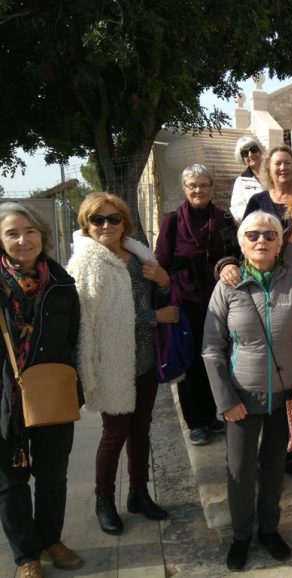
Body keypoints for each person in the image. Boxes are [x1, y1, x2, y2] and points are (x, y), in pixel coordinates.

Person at [202, 210, 292, 570]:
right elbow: (211, 346)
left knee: (273, 466)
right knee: (239, 470)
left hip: (285, 396)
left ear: (280, 242)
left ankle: (269, 529)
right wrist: (225, 399)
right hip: (241, 396)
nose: (261, 240)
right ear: (242, 243)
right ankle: (241, 536)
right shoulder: (228, 285)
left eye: (269, 235)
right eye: (253, 235)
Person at [68, 193, 178, 537]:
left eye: (113, 218)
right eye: (97, 219)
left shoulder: (138, 255)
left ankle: (138, 493)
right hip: (112, 361)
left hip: (144, 358)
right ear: (86, 224)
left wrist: (163, 281)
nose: (106, 225)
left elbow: (158, 297)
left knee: (141, 431)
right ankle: (104, 500)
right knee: (114, 434)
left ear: (124, 223)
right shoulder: (86, 264)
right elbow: (98, 322)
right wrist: (152, 317)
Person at [216, 187, 292, 484]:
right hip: (279, 340)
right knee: (274, 409)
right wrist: (225, 266)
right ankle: (266, 460)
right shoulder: (273, 239)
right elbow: (240, 262)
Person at [0, 203, 82, 577]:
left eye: (30, 231)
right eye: (12, 233)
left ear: (42, 236)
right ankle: (26, 556)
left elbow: (73, 337)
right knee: (10, 480)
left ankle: (51, 540)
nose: (23, 240)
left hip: (51, 392)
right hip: (5, 398)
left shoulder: (62, 283)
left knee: (53, 474)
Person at [155, 164, 240, 446]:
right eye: (193, 185)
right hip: (185, 300)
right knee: (190, 363)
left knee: (215, 358)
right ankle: (196, 422)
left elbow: (235, 255)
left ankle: (212, 415)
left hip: (218, 300)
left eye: (204, 185)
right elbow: (162, 262)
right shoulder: (172, 221)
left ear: (212, 188)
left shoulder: (225, 219)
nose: (198, 190)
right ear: (184, 188)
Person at [243, 145, 292, 229]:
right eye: (277, 164)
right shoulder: (257, 201)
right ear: (269, 171)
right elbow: (245, 234)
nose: (283, 167)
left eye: (287, 163)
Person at [230, 136, 264, 223]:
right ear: (242, 159)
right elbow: (237, 208)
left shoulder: (274, 174)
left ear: (260, 151)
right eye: (245, 153)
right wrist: (256, 220)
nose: (250, 155)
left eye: (253, 149)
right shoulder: (240, 182)